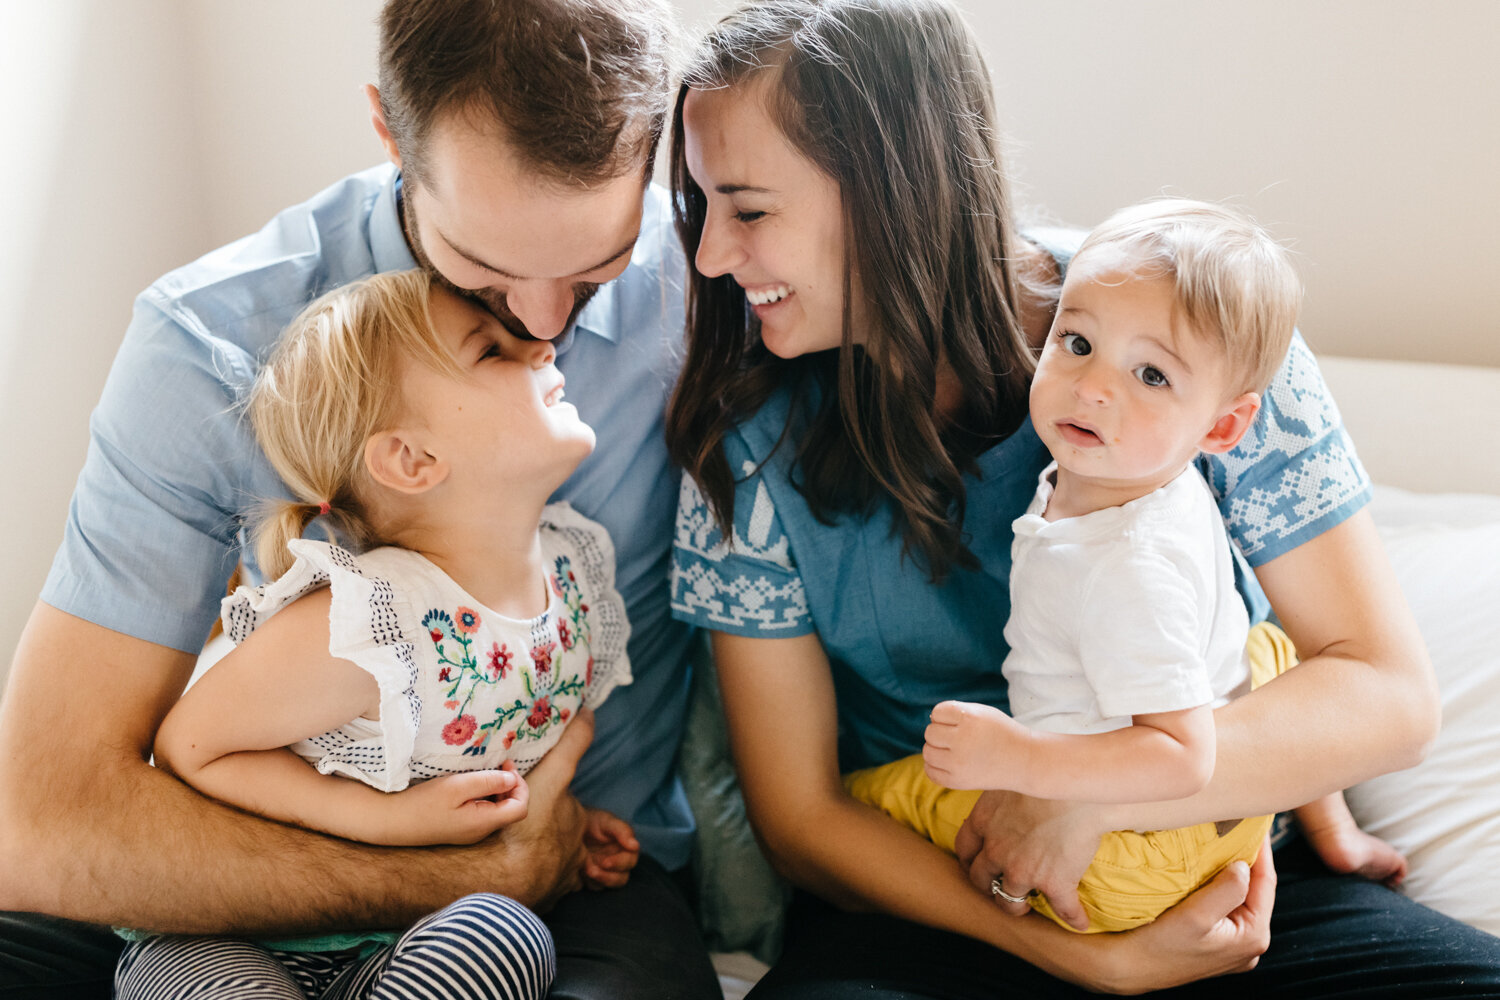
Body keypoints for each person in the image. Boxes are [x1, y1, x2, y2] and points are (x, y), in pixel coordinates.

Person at [665, 0, 1500, 995]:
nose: (712, 255)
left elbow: (1388, 694)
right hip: (946, 901)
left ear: (894, 191)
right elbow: (801, 823)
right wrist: (1078, 953)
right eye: (704, 207)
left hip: (1218, 873)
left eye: (750, 209)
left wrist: (1090, 800)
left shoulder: (1181, 330)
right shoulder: (747, 451)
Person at [0, 2, 721, 998]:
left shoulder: (715, 286)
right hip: (269, 860)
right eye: (488, 274)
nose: (545, 325)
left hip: (569, 880)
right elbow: (44, 822)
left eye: (596, 267)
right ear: (390, 131)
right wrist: (454, 869)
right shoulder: (210, 346)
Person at [843, 198, 1406, 935]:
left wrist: (1023, 762)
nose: (1095, 386)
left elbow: (1179, 758)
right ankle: (1325, 821)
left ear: (1224, 424)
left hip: (1137, 859)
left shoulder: (1125, 564)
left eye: (1150, 374)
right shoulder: (1150, 482)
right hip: (1223, 805)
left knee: (870, 799)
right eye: (1077, 343)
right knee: (1267, 645)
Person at [112, 269, 640, 999]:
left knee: (508, 935)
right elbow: (189, 748)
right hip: (231, 935)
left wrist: (569, 828)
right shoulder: (367, 621)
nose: (542, 347)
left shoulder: (570, 568)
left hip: (396, 947)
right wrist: (383, 819)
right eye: (491, 352)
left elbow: (497, 739)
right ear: (412, 460)